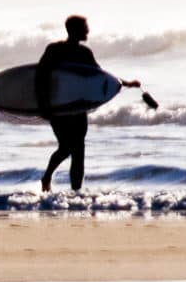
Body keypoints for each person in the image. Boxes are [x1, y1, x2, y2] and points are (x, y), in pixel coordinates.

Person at [36, 14, 139, 192]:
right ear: (74, 30)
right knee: (67, 147)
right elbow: (40, 77)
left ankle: (76, 192)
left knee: (79, 151)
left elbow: (101, 76)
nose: (88, 30)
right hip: (59, 107)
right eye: (84, 27)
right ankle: (47, 176)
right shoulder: (54, 50)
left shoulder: (84, 53)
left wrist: (125, 83)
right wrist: (42, 104)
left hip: (78, 107)